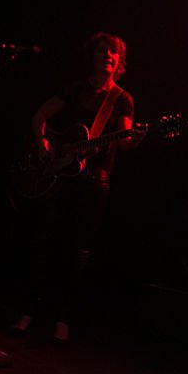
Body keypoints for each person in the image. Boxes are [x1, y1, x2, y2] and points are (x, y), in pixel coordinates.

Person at [13, 32, 145, 341]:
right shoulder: (74, 90)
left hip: (94, 181)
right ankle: (28, 311)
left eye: (113, 54)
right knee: (44, 242)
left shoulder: (121, 98)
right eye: (103, 51)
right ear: (94, 57)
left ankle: (63, 318)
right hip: (60, 176)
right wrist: (43, 142)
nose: (108, 57)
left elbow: (123, 140)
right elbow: (39, 117)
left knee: (77, 251)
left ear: (119, 62)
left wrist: (135, 139)